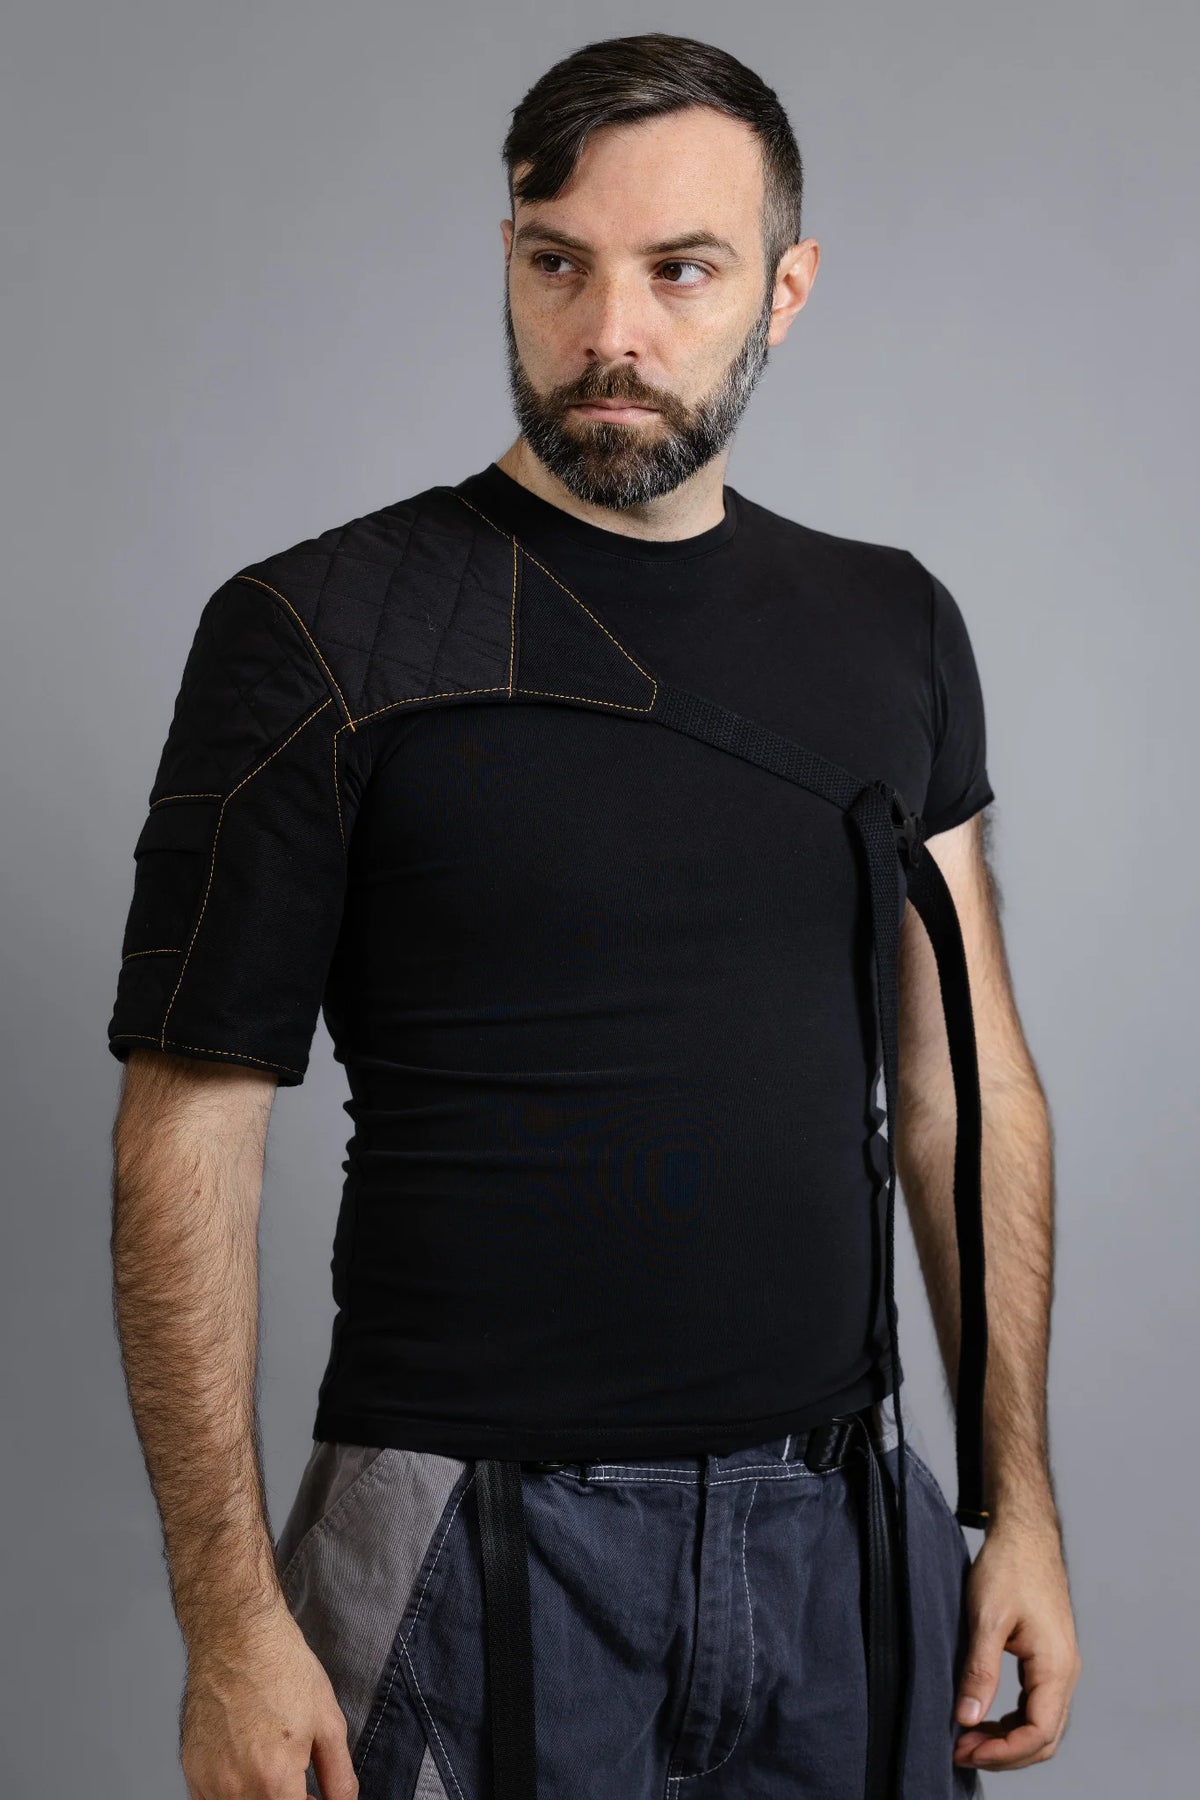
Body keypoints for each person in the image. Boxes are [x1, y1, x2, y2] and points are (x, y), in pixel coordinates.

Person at [105, 30, 1080, 1800]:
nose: (607, 331)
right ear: (509, 258)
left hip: (840, 1537)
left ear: (786, 288)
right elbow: (187, 1132)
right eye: (559, 264)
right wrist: (230, 1620)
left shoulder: (896, 628)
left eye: (680, 270)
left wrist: (1015, 1506)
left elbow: (969, 1088)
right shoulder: (319, 631)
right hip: (469, 1537)